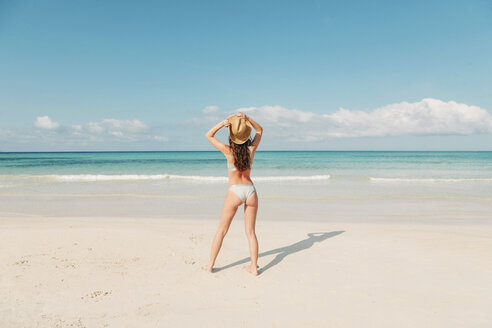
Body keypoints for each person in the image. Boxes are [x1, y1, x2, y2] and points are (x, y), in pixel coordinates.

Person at [203, 112, 263, 275]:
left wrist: (224, 123)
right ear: (246, 135)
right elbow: (260, 130)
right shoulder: (251, 149)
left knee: (221, 231)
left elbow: (209, 135)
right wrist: (248, 119)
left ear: (232, 136)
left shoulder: (228, 151)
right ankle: (253, 267)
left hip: (235, 191)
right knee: (250, 233)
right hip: (250, 191)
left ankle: (210, 265)